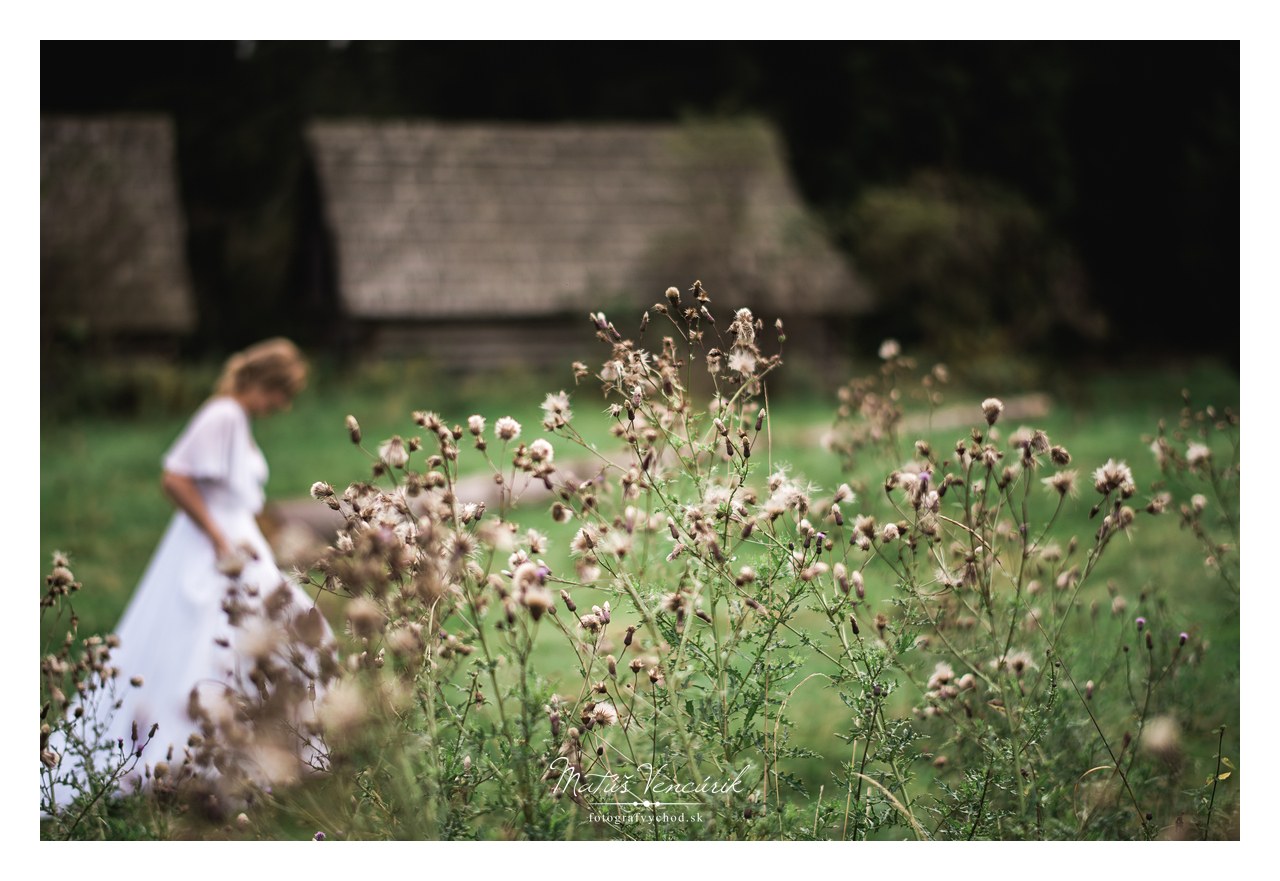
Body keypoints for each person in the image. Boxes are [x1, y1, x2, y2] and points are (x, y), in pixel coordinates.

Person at [44, 338, 336, 812]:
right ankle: (213, 759)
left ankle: (266, 752)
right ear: (265, 384)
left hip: (241, 545)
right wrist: (219, 538)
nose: (282, 407)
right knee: (232, 642)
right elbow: (174, 477)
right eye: (282, 395)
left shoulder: (235, 418)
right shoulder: (222, 414)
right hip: (217, 549)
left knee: (273, 635)